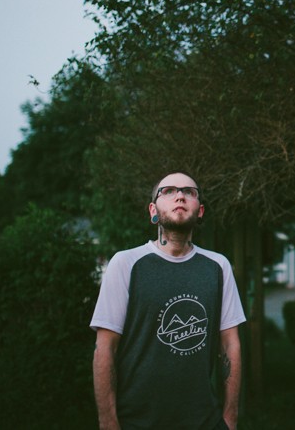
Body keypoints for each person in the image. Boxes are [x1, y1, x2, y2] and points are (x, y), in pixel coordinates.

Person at [90, 171, 246, 430]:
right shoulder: (126, 263)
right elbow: (105, 348)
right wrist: (108, 423)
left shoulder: (218, 266)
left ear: (200, 211)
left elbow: (231, 345)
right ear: (153, 210)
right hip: (137, 422)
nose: (180, 196)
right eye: (169, 190)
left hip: (204, 422)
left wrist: (229, 420)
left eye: (189, 191)